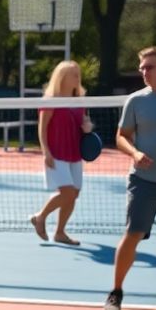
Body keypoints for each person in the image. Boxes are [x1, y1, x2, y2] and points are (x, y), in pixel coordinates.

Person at [104, 47, 156, 310]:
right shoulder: (136, 101)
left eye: (149, 67)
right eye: (141, 68)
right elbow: (121, 136)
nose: (143, 72)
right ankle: (116, 292)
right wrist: (134, 152)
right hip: (143, 182)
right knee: (133, 235)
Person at [29, 61, 94, 246]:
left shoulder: (80, 100)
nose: (77, 77)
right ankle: (40, 217)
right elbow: (42, 128)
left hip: (75, 153)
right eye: (73, 74)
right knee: (67, 192)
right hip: (56, 152)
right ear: (62, 77)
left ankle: (60, 232)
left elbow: (85, 123)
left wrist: (88, 128)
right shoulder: (50, 100)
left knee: (74, 193)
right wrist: (45, 152)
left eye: (78, 74)